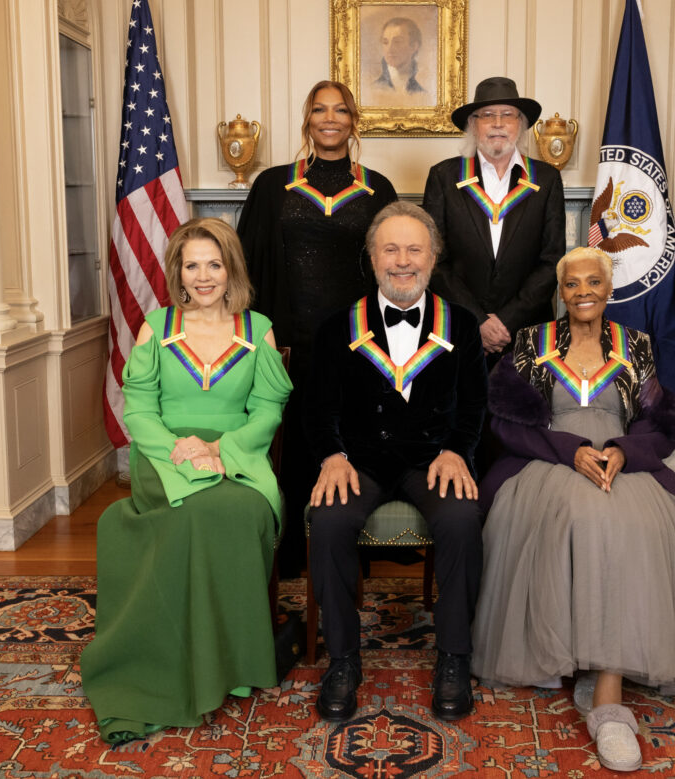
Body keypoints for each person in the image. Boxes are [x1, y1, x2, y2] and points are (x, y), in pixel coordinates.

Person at [471, 247, 675, 772]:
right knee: (578, 518)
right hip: (547, 460)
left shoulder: (635, 344)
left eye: (594, 282)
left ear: (609, 291)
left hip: (620, 461)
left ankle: (609, 700)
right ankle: (569, 654)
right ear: (561, 292)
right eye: (573, 284)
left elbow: (660, 424)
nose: (584, 291)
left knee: (634, 523)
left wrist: (620, 452)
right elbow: (505, 423)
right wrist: (569, 450)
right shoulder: (531, 342)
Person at [80, 218, 292, 743]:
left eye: (214, 265)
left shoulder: (258, 329)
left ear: (231, 269)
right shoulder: (157, 326)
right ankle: (169, 660)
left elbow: (267, 408)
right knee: (194, 511)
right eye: (192, 265)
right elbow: (140, 409)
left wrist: (223, 449)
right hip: (166, 457)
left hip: (238, 454)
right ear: (178, 271)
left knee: (239, 511)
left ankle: (226, 660)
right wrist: (178, 449)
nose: (203, 277)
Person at [306, 201, 487, 722]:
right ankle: (343, 660)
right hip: (358, 461)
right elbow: (317, 409)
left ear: (433, 258)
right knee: (330, 519)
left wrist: (458, 450)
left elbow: (475, 404)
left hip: (432, 459)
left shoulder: (463, 326)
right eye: (391, 249)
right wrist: (332, 456)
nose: (402, 261)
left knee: (461, 518)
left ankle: (454, 655)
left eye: (414, 249)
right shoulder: (335, 327)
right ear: (371, 256)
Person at [237, 81, 397, 576]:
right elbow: (246, 267)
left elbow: (395, 271)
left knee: (350, 438)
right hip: (284, 342)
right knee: (290, 443)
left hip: (357, 345)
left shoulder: (379, 189)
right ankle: (285, 551)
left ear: (354, 121)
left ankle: (348, 547)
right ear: (307, 119)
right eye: (320, 110)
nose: (331, 118)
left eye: (342, 110)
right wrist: (254, 334)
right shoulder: (272, 185)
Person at [423, 76, 566, 364]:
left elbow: (552, 260)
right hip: (460, 331)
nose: (497, 123)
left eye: (507, 115)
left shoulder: (547, 179)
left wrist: (506, 321)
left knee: (523, 410)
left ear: (521, 124)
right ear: (472, 125)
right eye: (487, 115)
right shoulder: (443, 177)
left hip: (527, 333)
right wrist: (479, 321)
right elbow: (433, 260)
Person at [371, 17, 427, 96]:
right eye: (385, 42)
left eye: (397, 42)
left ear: (414, 46)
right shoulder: (372, 89)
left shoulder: (423, 92)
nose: (389, 49)